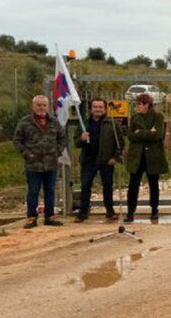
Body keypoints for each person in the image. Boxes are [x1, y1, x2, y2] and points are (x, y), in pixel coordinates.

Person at [13, 95, 68, 229]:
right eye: (39, 105)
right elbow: (17, 141)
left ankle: (49, 217)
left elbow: (63, 139)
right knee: (33, 191)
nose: (41, 108)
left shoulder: (54, 122)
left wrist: (57, 152)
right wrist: (27, 154)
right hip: (33, 165)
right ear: (33, 106)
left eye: (44, 105)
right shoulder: (25, 122)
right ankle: (31, 217)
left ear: (48, 106)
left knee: (50, 191)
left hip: (51, 164)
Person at [74, 98, 125, 223]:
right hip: (89, 161)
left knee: (107, 186)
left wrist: (115, 157)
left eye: (100, 107)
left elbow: (120, 143)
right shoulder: (83, 124)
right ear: (91, 109)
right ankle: (83, 212)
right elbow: (76, 143)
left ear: (105, 109)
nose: (98, 109)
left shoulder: (112, 123)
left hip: (106, 161)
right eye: (95, 107)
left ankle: (110, 211)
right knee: (86, 186)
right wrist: (81, 138)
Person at [125, 93, 168, 222]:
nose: (137, 107)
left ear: (147, 105)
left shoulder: (158, 117)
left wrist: (140, 132)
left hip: (153, 156)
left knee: (153, 184)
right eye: (136, 104)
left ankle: (154, 210)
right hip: (137, 156)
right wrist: (149, 132)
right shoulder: (135, 117)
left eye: (139, 104)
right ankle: (130, 212)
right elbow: (130, 136)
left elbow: (158, 135)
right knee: (133, 185)